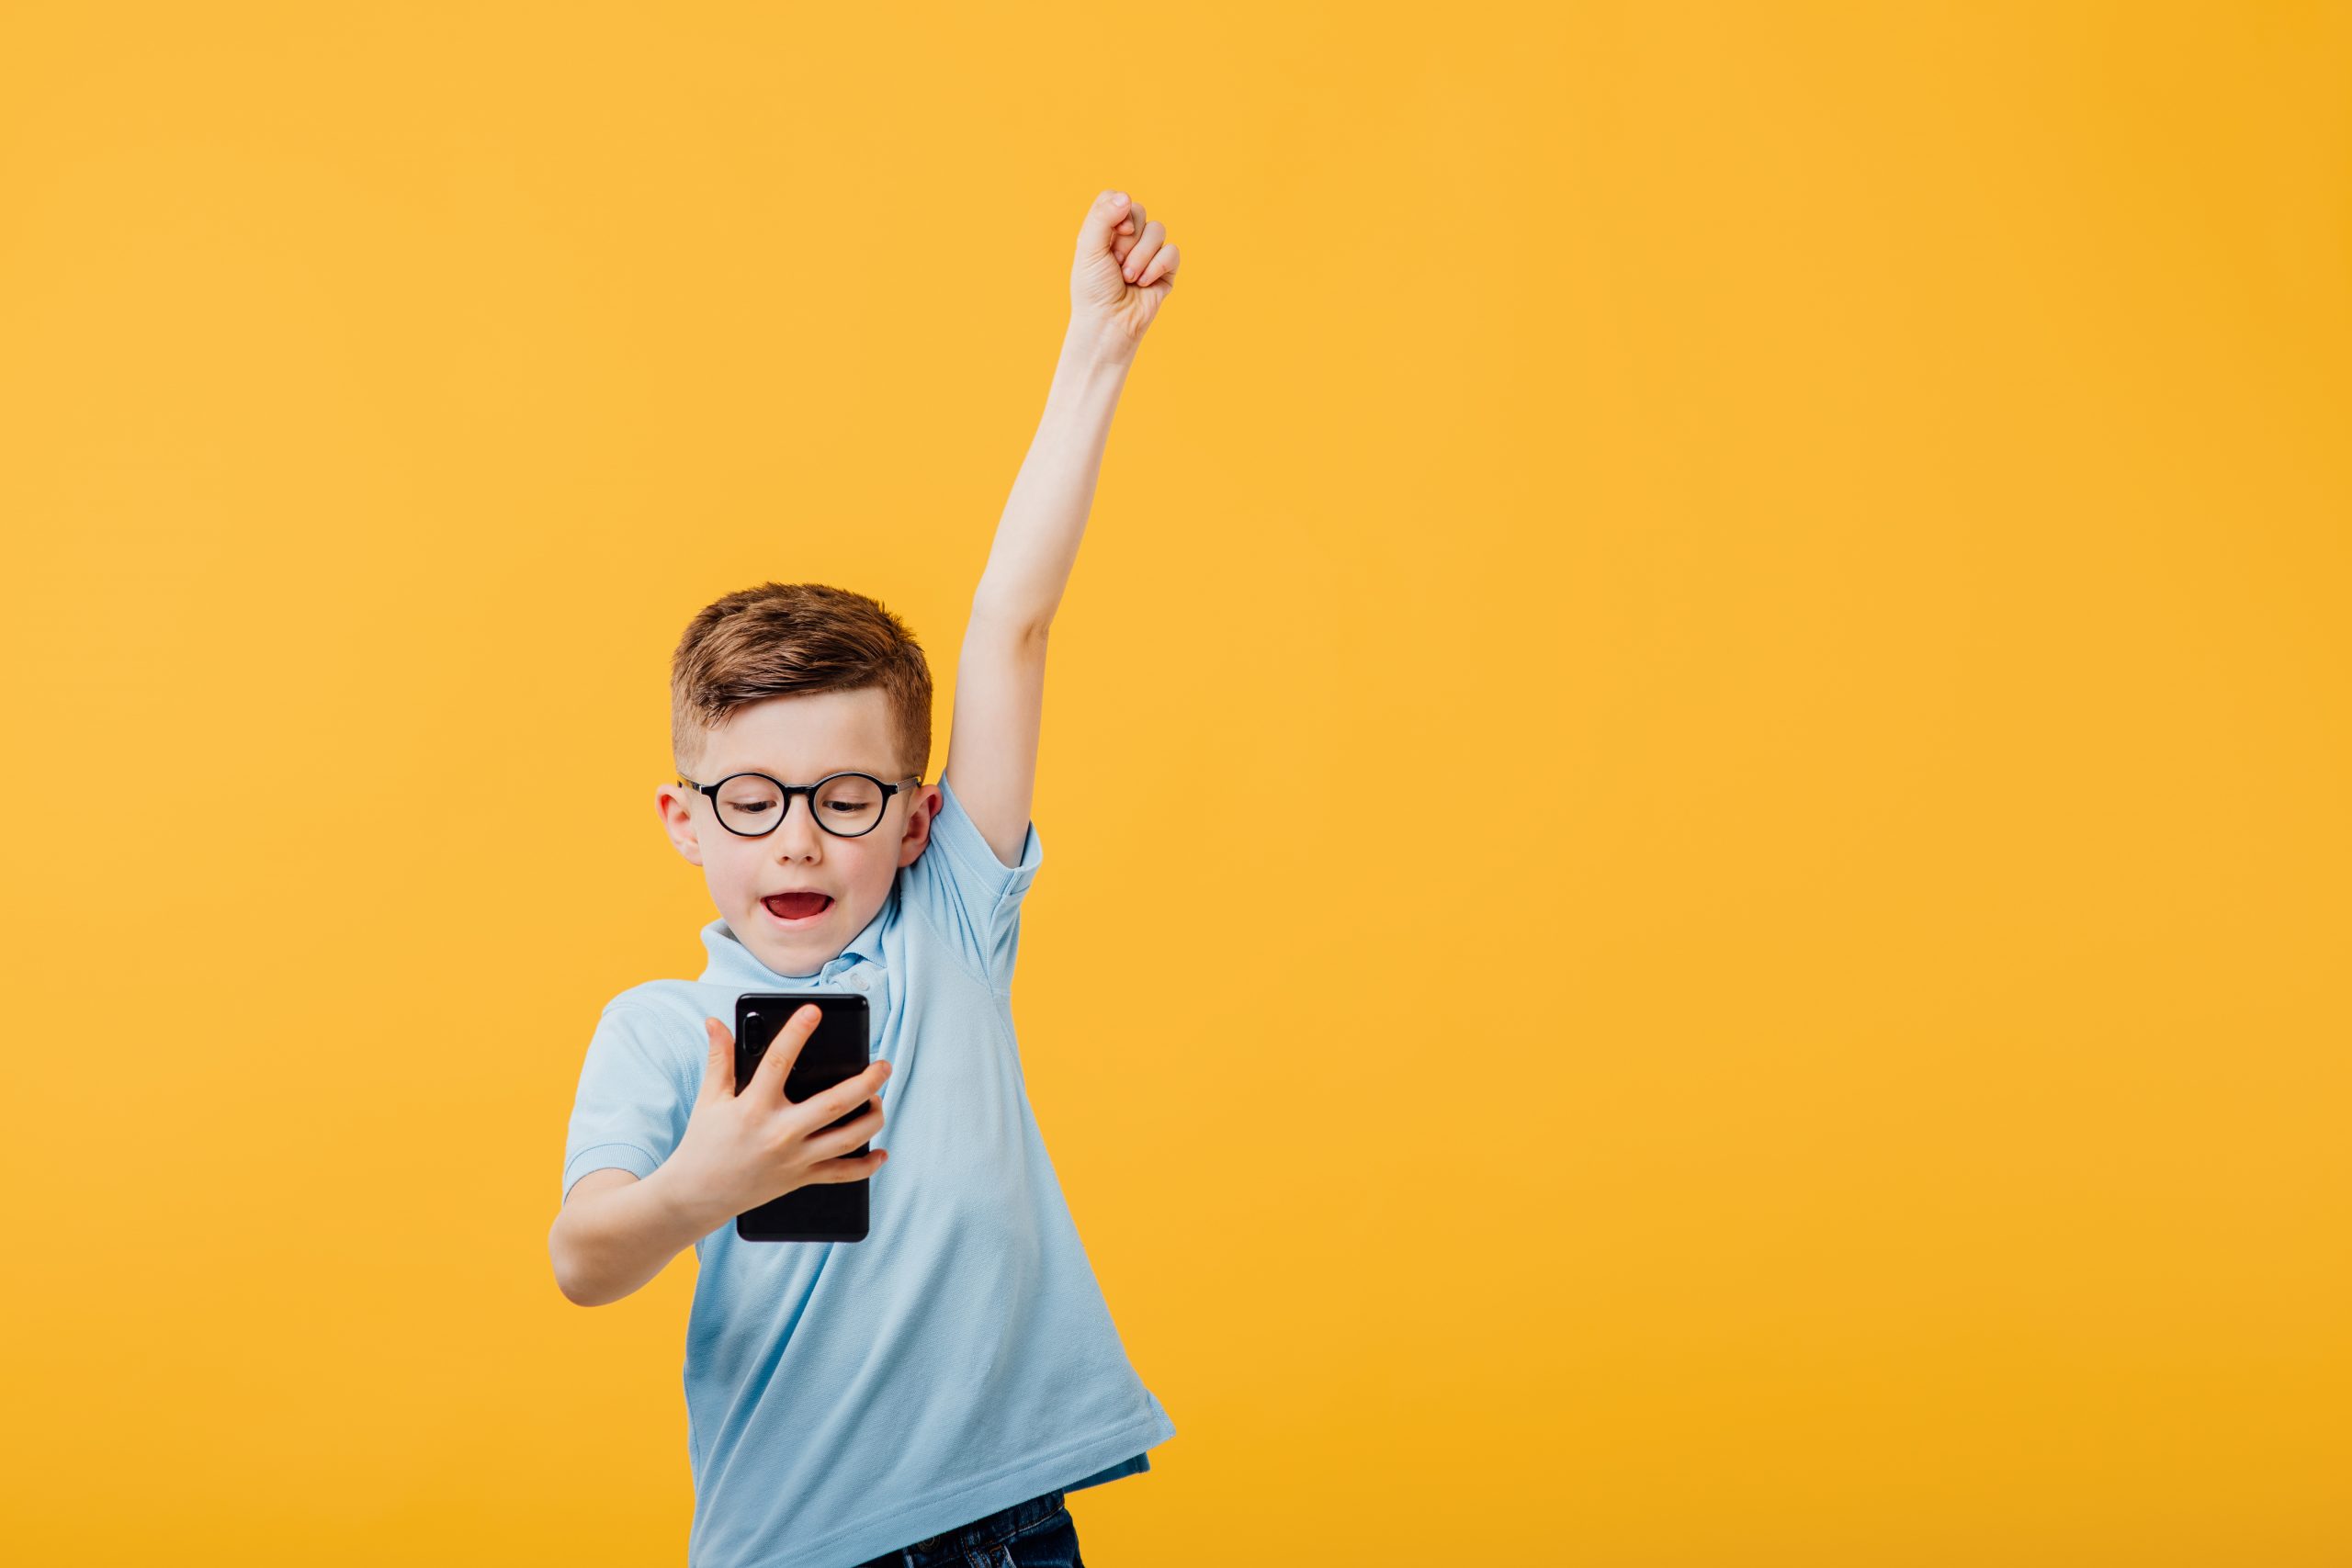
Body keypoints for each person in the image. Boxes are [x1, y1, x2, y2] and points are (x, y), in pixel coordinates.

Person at [548, 188, 1183, 1568]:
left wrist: (1096, 349)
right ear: (683, 817)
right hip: (800, 1547)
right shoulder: (662, 1032)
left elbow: (1011, 624)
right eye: (754, 802)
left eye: (844, 799)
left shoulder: (947, 923)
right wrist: (695, 1187)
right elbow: (584, 1259)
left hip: (1008, 1525)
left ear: (916, 819)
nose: (797, 841)